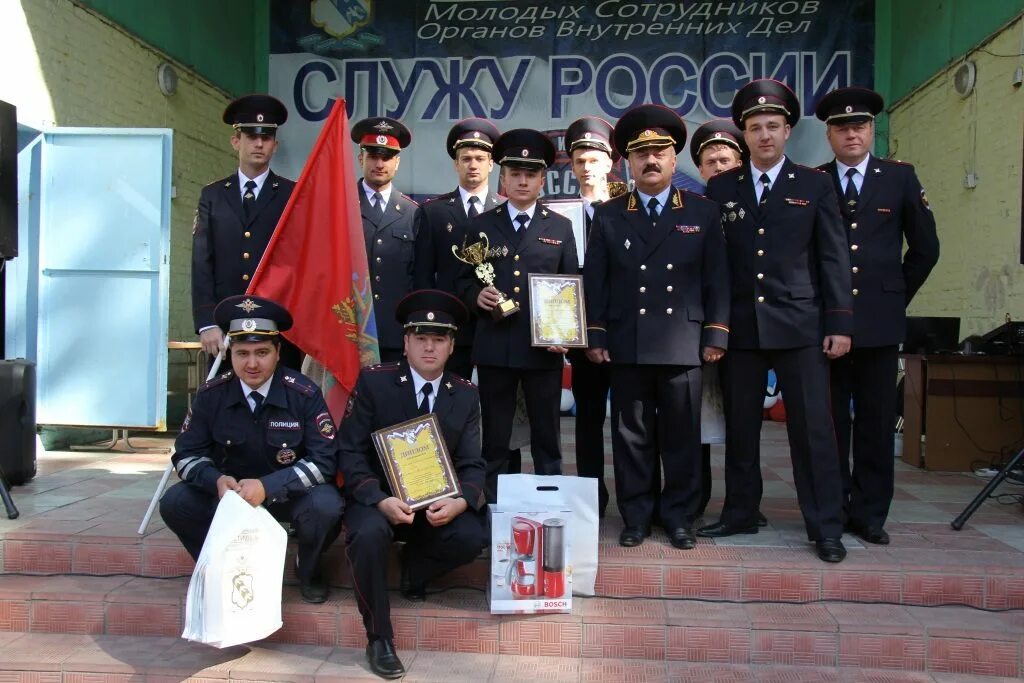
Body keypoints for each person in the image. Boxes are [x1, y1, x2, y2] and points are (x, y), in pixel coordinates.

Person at [699, 79, 854, 564]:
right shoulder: (721, 187)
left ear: (787, 130)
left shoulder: (815, 184)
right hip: (742, 329)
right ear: (743, 135)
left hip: (801, 325)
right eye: (754, 127)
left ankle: (825, 525)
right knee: (741, 428)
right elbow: (716, 266)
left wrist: (840, 322)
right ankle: (741, 511)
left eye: (772, 126)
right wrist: (717, 328)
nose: (764, 135)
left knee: (812, 430)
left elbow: (832, 258)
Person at [584, 104, 730, 549]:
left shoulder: (702, 212)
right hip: (627, 342)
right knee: (631, 437)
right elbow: (597, 279)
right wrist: (596, 334)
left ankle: (680, 517)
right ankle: (636, 516)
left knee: (682, 438)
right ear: (628, 161)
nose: (651, 160)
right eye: (641, 153)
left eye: (660, 152)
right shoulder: (610, 213)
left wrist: (716, 333)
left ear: (673, 158)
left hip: (683, 342)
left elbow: (717, 278)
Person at [338, 290, 486, 680]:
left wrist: (460, 501)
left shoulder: (465, 395)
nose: (429, 347)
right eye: (420, 338)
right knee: (367, 535)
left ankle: (415, 570)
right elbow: (350, 453)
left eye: (439, 339)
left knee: (473, 533)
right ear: (405, 342)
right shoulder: (376, 383)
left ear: (452, 346)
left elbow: (473, 464)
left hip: (436, 504)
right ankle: (379, 638)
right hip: (379, 501)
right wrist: (378, 498)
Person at [815, 86, 939, 545]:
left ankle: (869, 515)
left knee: (874, 421)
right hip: (828, 323)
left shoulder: (899, 178)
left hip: (880, 322)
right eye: (842, 127)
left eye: (860, 126)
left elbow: (926, 247)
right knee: (830, 424)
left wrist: (894, 293)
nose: (852, 134)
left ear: (871, 130)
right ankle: (834, 504)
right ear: (829, 134)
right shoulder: (815, 180)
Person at [161, 295, 343, 604]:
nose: (252, 363)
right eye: (242, 353)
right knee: (175, 502)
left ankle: (308, 570)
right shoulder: (212, 394)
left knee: (327, 506)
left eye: (262, 352)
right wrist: (215, 481)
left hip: (287, 496)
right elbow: (186, 455)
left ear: (277, 352)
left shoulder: (303, 393)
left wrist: (268, 486)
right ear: (231, 353)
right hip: (230, 497)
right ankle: (218, 566)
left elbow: (324, 461)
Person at [455, 129, 578, 502]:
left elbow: (572, 285)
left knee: (547, 438)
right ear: (503, 178)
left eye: (531, 174)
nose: (522, 180)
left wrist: (565, 335)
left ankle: (549, 508)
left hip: (543, 352)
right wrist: (479, 297)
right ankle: (492, 509)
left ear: (543, 179)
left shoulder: (560, 226)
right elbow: (461, 283)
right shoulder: (480, 225)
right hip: (497, 348)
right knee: (495, 438)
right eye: (515, 173)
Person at [688, 119, 767, 527]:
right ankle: (696, 501)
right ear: (700, 170)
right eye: (710, 162)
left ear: (741, 161)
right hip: (701, 330)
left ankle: (745, 505)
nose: (718, 168)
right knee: (697, 421)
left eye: (726, 160)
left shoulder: (759, 199)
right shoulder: (689, 209)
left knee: (743, 426)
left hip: (757, 326)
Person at [191, 94, 302, 369]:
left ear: (275, 145)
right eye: (251, 136)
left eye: (266, 137)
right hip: (226, 328)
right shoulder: (213, 196)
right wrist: (206, 323)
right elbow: (202, 263)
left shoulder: (293, 196)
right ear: (235, 141)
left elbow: (301, 262)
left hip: (276, 327)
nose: (259, 143)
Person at [413, 118, 503, 379]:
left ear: (491, 163)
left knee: (495, 404)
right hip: (449, 324)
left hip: (495, 323)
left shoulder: (505, 211)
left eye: (479, 158)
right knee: (449, 400)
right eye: (466, 158)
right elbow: (423, 275)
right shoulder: (434, 212)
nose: (473, 165)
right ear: (456, 164)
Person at [563, 115, 618, 517]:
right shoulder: (560, 214)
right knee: (588, 421)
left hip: (626, 331)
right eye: (579, 159)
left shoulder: (626, 208)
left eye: (594, 158)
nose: (587, 166)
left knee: (633, 424)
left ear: (610, 162)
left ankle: (637, 499)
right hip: (578, 334)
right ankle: (590, 497)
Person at [352, 116, 418, 362]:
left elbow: (416, 278)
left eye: (387, 157)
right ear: (361, 159)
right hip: (350, 329)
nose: (380, 163)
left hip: (395, 332)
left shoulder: (412, 212)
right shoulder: (341, 207)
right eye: (373, 156)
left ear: (397, 163)